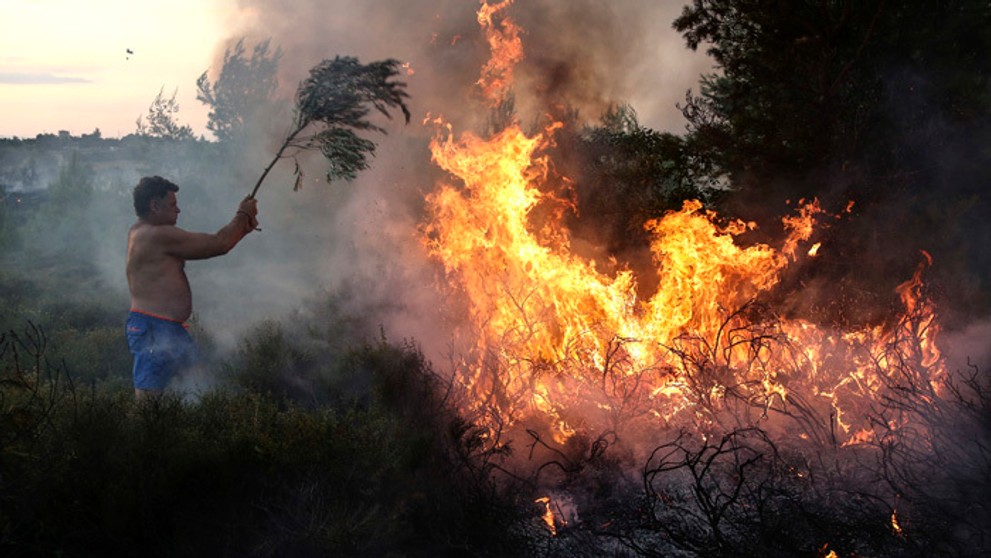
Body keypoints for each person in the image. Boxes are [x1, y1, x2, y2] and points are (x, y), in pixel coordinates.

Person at [125, 176, 258, 399]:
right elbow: (219, 244)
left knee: (199, 388)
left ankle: (187, 431)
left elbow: (222, 242)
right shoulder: (157, 235)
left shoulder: (140, 231)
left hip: (167, 328)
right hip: (154, 330)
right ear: (154, 206)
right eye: (173, 205)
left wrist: (242, 227)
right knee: (149, 402)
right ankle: (143, 434)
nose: (179, 210)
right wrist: (242, 215)